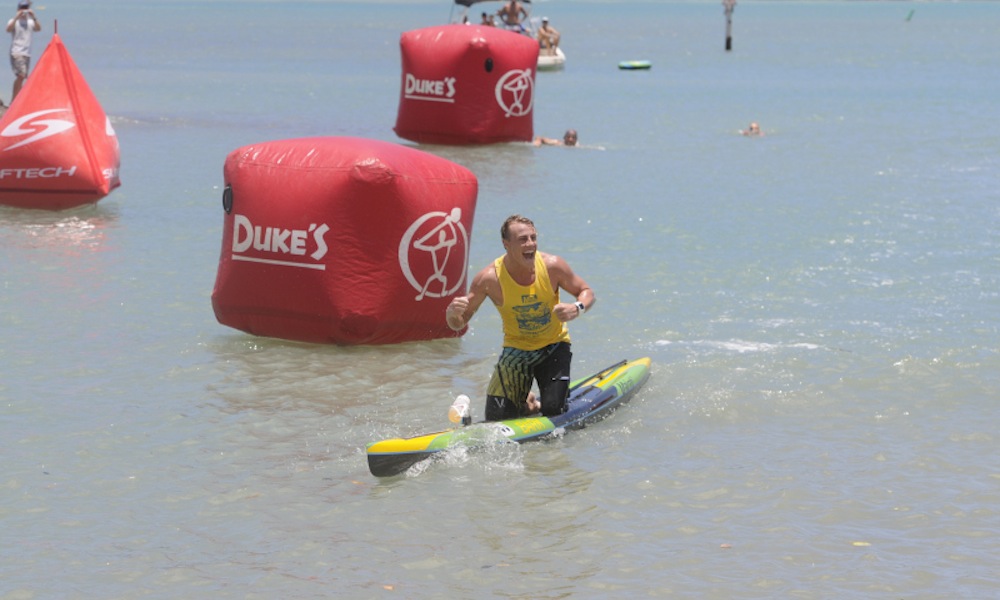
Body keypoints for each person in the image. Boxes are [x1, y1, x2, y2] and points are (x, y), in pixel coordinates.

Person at [446, 215, 595, 421]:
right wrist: (451, 313)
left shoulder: (553, 265)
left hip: (554, 346)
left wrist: (576, 308)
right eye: (523, 239)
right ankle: (527, 401)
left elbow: (586, 291)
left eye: (533, 238)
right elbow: (458, 323)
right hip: (517, 350)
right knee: (497, 418)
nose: (531, 244)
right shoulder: (489, 279)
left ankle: (534, 400)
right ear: (506, 244)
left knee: (553, 411)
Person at [6, 0, 40, 103]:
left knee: (23, 77)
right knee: (21, 75)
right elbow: (8, 29)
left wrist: (33, 16)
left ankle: (18, 100)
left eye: (25, 8)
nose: (24, 11)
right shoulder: (14, 21)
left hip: (27, 53)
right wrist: (17, 17)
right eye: (22, 9)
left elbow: (38, 28)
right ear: (18, 10)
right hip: (16, 52)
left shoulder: (30, 22)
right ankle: (14, 101)